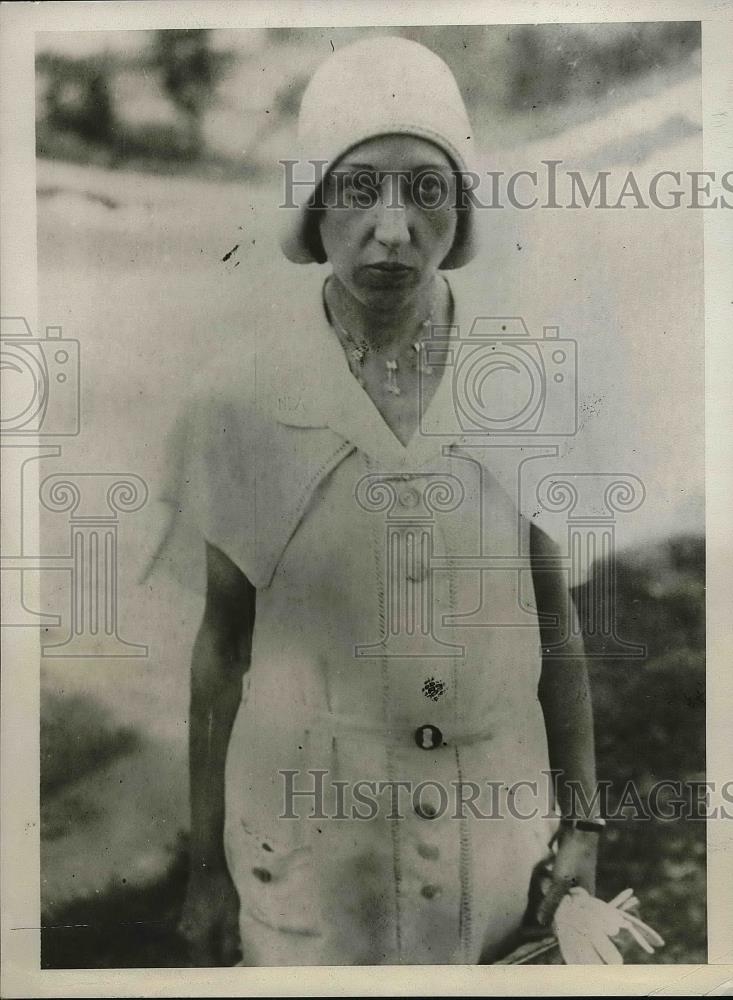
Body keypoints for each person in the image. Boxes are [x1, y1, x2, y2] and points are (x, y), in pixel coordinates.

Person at [147, 35, 601, 966]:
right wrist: (204, 872)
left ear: (462, 208)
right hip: (313, 851)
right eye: (358, 189)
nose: (391, 230)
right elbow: (221, 646)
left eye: (425, 190)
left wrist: (583, 821)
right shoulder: (239, 401)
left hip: (496, 837)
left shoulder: (522, 384)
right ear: (315, 207)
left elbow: (555, 627)